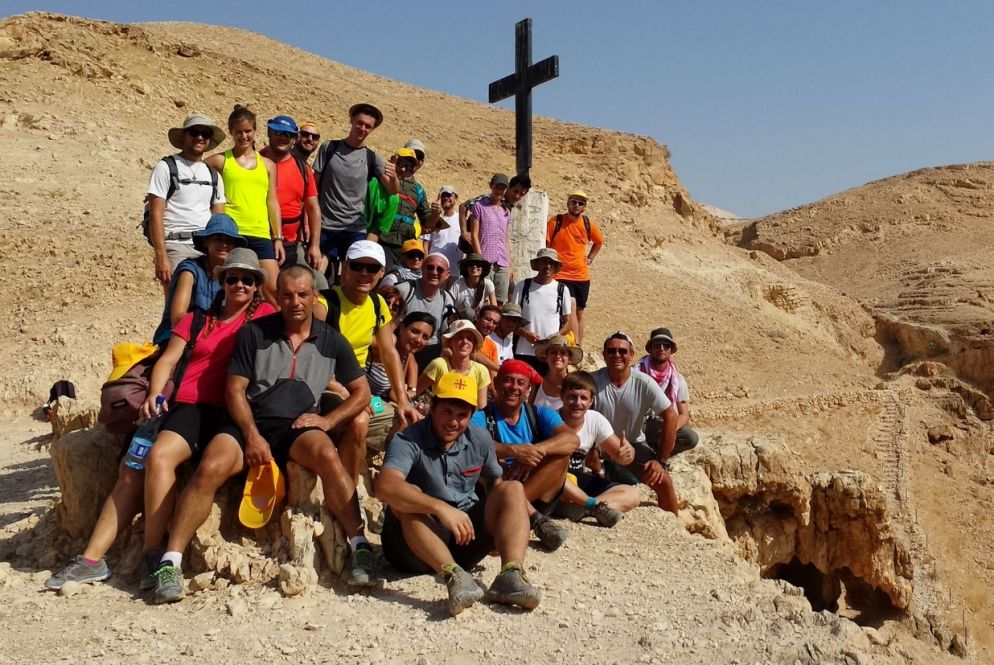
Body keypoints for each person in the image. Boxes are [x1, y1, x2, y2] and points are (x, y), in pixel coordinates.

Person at [44, 249, 273, 593]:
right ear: (221, 281)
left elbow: (300, 328)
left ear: (258, 286)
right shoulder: (197, 319)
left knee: (152, 461)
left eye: (248, 279)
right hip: (184, 404)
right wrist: (153, 394)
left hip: (226, 409)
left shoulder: (265, 317)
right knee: (138, 467)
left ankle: (151, 554)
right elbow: (168, 360)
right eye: (232, 278)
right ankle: (108, 558)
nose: (239, 284)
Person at [149, 266, 379, 603]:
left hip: (297, 427)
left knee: (328, 456)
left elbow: (361, 392)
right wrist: (252, 436)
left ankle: (359, 546)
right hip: (249, 423)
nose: (295, 302)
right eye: (287, 295)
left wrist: (329, 422)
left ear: (315, 296)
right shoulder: (255, 333)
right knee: (211, 465)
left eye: (302, 295)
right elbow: (234, 390)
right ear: (278, 297)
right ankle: (170, 561)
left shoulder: (332, 340)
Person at [376, 373, 541, 616]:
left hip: (464, 537)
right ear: (432, 407)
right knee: (408, 495)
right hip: (413, 546)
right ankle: (452, 575)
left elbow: (495, 483)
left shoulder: (480, 438)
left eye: (462, 415)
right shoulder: (408, 439)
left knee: (512, 488)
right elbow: (386, 486)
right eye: (447, 412)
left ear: (472, 416)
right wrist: (439, 508)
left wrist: (501, 528)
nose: (453, 422)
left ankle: (511, 574)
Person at [326, 240, 422, 478]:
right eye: (358, 266)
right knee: (359, 419)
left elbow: (390, 352)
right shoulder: (326, 303)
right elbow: (314, 364)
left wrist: (403, 401)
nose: (364, 274)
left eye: (372, 268)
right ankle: (353, 484)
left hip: (364, 393)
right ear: (345, 268)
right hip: (329, 387)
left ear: (382, 273)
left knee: (410, 420)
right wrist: (356, 396)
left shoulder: (377, 304)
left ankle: (383, 474)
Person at [470, 360, 578, 551]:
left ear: (528, 389)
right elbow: (471, 443)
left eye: (521, 383)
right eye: (508, 381)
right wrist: (516, 451)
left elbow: (571, 440)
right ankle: (534, 519)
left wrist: (535, 452)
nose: (514, 387)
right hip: (498, 488)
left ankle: (512, 515)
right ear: (495, 384)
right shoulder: (481, 416)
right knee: (486, 462)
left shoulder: (539, 413)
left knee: (561, 457)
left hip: (531, 488)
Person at [592, 332, 679, 514]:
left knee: (662, 480)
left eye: (622, 351)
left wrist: (660, 461)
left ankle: (674, 524)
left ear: (631, 355)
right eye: (612, 351)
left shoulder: (643, 383)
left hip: (633, 445)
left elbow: (671, 415)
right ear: (604, 354)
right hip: (597, 447)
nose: (617, 355)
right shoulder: (593, 381)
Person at [205, 106, 282, 302]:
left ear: (255, 131)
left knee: (272, 289)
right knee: (230, 289)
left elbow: (272, 201)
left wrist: (278, 237)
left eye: (248, 131)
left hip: (260, 233)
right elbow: (194, 172)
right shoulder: (221, 161)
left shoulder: (268, 165)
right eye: (238, 131)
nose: (243, 136)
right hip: (232, 233)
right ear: (231, 132)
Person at [311, 103, 398, 277]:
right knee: (316, 276)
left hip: (354, 229)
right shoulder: (329, 148)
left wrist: (394, 176)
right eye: (360, 123)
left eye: (368, 126)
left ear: (372, 130)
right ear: (351, 120)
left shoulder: (371, 157)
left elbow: (392, 190)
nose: (362, 128)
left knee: (350, 278)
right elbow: (314, 184)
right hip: (325, 224)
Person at [146, 112, 226, 287]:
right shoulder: (166, 167)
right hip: (176, 246)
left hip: (206, 250)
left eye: (205, 134)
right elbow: (156, 214)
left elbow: (219, 219)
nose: (199, 137)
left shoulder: (214, 175)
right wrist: (161, 256)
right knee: (177, 308)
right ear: (184, 135)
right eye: (194, 132)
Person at [555, 371, 639, 527]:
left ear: (591, 401)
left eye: (583, 398)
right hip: (559, 481)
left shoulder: (595, 419)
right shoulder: (551, 419)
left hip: (580, 479)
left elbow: (621, 455)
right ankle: (589, 506)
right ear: (562, 396)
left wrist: (629, 452)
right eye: (572, 396)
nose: (577, 403)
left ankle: (585, 507)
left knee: (632, 494)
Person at [152, 213, 245, 345]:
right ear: (206, 241)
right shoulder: (190, 269)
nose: (224, 244)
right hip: (177, 338)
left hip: (212, 339)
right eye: (218, 239)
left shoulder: (233, 276)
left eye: (229, 241)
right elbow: (178, 318)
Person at [260, 115, 322, 270]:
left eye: (288, 134)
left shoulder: (303, 169)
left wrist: (314, 245)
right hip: (260, 239)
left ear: (295, 138)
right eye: (278, 133)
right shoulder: (255, 162)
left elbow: (313, 208)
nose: (283, 138)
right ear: (269, 133)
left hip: (290, 244)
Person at [546, 191, 604, 346]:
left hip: (581, 276)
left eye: (580, 203)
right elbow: (546, 243)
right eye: (573, 202)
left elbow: (598, 242)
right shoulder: (556, 221)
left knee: (579, 312)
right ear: (568, 203)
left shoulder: (587, 223)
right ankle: (573, 345)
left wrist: (590, 257)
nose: (576, 205)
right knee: (568, 307)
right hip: (561, 274)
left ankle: (578, 344)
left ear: (584, 207)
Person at [511, 248, 575, 375]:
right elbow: (511, 319)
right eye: (544, 262)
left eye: (551, 263)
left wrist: (556, 335)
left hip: (550, 353)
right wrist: (526, 334)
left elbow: (568, 322)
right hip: (524, 351)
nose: (548, 266)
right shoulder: (522, 286)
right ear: (538, 264)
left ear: (556, 266)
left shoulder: (562, 290)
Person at [637, 327, 699, 455]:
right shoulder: (636, 373)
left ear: (671, 350)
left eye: (666, 345)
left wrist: (670, 430)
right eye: (657, 345)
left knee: (690, 438)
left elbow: (684, 414)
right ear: (650, 349)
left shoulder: (677, 379)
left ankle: (658, 456)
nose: (661, 348)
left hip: (660, 424)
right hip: (636, 422)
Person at [374, 148, 439, 267]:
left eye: (409, 167)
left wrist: (436, 213)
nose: (404, 169)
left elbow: (427, 222)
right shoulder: (381, 179)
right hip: (381, 239)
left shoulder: (418, 190)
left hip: (405, 247)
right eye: (401, 164)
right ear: (394, 161)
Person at [394, 253, 457, 370]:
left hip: (428, 353)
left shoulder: (446, 299)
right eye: (430, 267)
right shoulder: (404, 290)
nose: (434, 272)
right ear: (422, 268)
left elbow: (446, 333)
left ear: (447, 275)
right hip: (400, 349)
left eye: (440, 269)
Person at [417, 319, 491, 409]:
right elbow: (416, 391)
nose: (465, 342)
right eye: (460, 337)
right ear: (450, 342)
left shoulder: (481, 371)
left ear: (474, 344)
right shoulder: (438, 365)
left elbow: (482, 408)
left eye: (469, 338)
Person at [466, 173, 511, 302]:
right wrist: (480, 260)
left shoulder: (506, 211)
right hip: (486, 258)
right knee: (484, 299)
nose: (499, 191)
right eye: (497, 187)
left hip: (502, 260)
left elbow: (505, 238)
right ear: (491, 186)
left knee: (501, 300)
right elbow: (474, 234)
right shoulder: (479, 207)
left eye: (503, 188)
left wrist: (510, 263)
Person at [529, 336, 583, 410]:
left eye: (563, 353)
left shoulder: (575, 387)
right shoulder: (537, 385)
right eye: (553, 352)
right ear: (547, 357)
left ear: (569, 359)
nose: (558, 356)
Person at [450, 253, 497, 320]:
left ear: (482, 268)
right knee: (469, 313)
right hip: (459, 319)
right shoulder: (458, 284)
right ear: (466, 268)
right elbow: (450, 306)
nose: (474, 267)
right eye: (471, 264)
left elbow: (494, 308)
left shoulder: (488, 284)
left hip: (477, 319)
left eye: (478, 265)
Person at [425, 185, 461, 269]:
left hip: (454, 269)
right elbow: (426, 244)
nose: (445, 198)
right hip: (435, 268)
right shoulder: (433, 219)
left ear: (456, 198)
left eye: (449, 195)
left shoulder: (461, 220)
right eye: (443, 195)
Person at [488, 303, 527, 368]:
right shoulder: (488, 337)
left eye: (515, 321)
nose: (511, 323)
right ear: (500, 319)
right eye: (509, 319)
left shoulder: (508, 342)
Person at [474, 304, 502, 376]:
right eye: (488, 319)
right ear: (478, 318)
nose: (490, 325)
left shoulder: (491, 345)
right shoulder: (465, 336)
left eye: (495, 323)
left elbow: (493, 375)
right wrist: (500, 369)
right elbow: (472, 353)